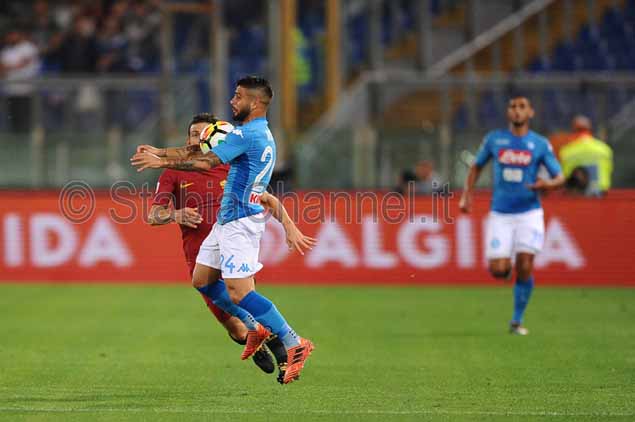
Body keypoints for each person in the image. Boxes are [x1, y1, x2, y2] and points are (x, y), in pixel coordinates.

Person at [131, 76, 315, 384]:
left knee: (240, 292)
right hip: (228, 220)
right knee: (202, 280)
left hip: (240, 222)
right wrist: (161, 153)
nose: (232, 100)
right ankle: (256, 329)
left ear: (255, 103)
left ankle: (294, 342)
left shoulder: (247, 135)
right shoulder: (254, 133)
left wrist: (159, 159)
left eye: (238, 96)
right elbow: (199, 153)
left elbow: (204, 162)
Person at [148, 112, 291, 376]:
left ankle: (284, 354)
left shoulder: (234, 167)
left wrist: (290, 228)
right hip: (200, 258)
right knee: (236, 328)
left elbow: (268, 199)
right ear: (188, 141)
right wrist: (175, 214)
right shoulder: (173, 172)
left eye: (205, 134)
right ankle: (255, 341)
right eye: (195, 135)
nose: (200, 139)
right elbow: (153, 216)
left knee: (247, 302)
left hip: (235, 247)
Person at [459, 94, 565, 335]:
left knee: (525, 264)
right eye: (513, 106)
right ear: (508, 112)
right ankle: (507, 270)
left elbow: (559, 176)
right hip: (501, 213)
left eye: (522, 106)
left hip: (529, 212)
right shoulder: (494, 140)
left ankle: (517, 321)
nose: (517, 110)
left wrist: (547, 185)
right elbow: (476, 167)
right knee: (498, 270)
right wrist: (467, 195)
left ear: (530, 113)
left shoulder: (539, 144)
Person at [559, 115, 613, 196]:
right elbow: (608, 173)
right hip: (602, 195)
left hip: (576, 197)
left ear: (574, 131)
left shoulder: (566, 152)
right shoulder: (605, 149)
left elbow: (564, 178)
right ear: (590, 130)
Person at [0, 27, 40, 133]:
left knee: (26, 121)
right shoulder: (6, 50)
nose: (10, 38)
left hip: (26, 90)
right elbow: (2, 69)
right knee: (14, 121)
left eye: (12, 35)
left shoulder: (28, 47)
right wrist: (10, 67)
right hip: (10, 90)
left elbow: (24, 63)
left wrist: (9, 67)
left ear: (18, 34)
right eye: (8, 36)